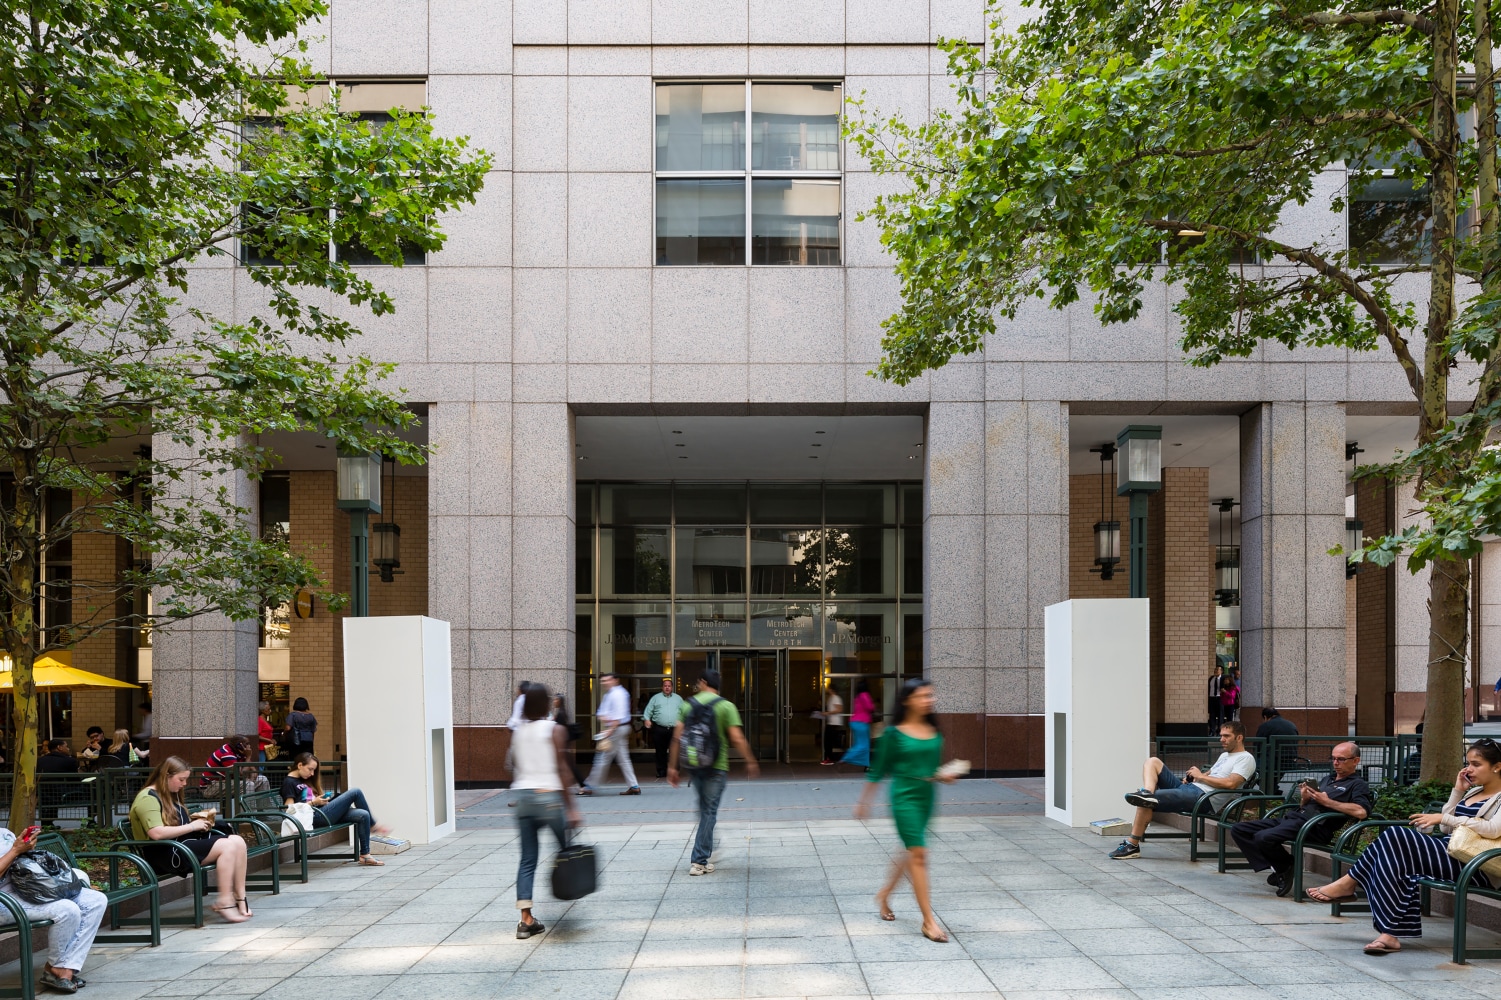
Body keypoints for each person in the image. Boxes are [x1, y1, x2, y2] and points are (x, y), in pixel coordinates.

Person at [1308, 738, 1501, 954]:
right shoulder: (1473, 792)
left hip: (1475, 865)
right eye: (1467, 763)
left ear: (1497, 766)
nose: (1468, 769)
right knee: (1396, 862)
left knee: (1394, 835)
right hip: (1449, 854)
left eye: (1476, 764)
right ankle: (1388, 935)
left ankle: (1349, 884)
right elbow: (1447, 830)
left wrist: (1443, 818)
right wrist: (1458, 791)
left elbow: (1493, 829)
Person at [853, 678, 959, 943]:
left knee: (911, 851)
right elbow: (877, 770)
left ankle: (885, 895)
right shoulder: (894, 733)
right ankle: (928, 922)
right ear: (906, 700)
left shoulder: (934, 730)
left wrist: (943, 775)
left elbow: (931, 767)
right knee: (919, 855)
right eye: (923, 696)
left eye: (930, 696)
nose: (929, 700)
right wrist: (864, 802)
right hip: (904, 797)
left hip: (927, 797)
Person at [1230, 741, 1372, 895]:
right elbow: (1309, 805)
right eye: (1333, 758)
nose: (1336, 763)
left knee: (1263, 837)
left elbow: (1361, 812)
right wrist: (1305, 799)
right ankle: (1280, 868)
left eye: (1341, 759)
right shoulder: (1327, 779)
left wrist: (1328, 802)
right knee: (1239, 829)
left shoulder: (1358, 785)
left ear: (1356, 761)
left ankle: (1284, 868)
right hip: (1296, 819)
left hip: (1315, 827)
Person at [1108, 721, 1257, 860]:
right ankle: (1147, 791)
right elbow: (1210, 775)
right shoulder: (1225, 755)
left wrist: (1200, 777)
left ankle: (1132, 845)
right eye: (1221, 735)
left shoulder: (1245, 758)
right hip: (1191, 789)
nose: (1221, 739)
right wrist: (1196, 776)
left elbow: (1231, 783)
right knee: (1152, 761)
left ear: (1239, 737)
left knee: (1146, 802)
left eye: (1226, 736)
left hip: (1203, 798)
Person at [129, 756, 252, 922]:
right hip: (165, 854)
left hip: (180, 846)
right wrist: (193, 826)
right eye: (181, 779)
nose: (184, 784)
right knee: (227, 846)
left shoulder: (169, 794)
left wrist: (198, 822)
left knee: (238, 841)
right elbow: (156, 833)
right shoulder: (147, 798)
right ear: (166, 776)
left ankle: (240, 897)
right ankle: (224, 900)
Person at [668, 668, 758, 875]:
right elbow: (736, 738)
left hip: (694, 765)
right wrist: (750, 760)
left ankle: (706, 850)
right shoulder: (726, 706)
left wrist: (673, 767)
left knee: (704, 809)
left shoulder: (687, 704)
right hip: (716, 767)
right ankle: (698, 860)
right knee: (709, 811)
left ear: (702, 682)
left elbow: (676, 737)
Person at [510, 684, 582, 939]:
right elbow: (562, 770)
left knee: (528, 859)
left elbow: (513, 764)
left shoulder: (518, 732)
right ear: (546, 704)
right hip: (549, 797)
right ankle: (571, 888)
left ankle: (526, 919)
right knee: (567, 849)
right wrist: (572, 808)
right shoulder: (555, 729)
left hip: (524, 798)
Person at [0, 823, 106, 994]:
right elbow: (14, 853)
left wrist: (26, 847)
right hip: (5, 902)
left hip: (25, 889)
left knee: (96, 900)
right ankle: (58, 969)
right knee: (66, 910)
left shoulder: (4, 834)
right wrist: (15, 851)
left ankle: (59, 968)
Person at [281, 752, 391, 866]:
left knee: (363, 814)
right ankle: (373, 826)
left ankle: (365, 855)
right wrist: (313, 802)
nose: (312, 773)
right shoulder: (289, 782)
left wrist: (322, 800)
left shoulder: (304, 780)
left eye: (314, 770)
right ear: (300, 765)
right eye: (310, 769)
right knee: (356, 792)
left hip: (322, 812)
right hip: (314, 817)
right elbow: (289, 809)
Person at [580, 672, 640, 796]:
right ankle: (634, 785)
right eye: (603, 681)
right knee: (623, 759)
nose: (604, 683)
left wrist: (609, 730)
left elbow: (617, 717)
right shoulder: (614, 693)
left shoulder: (617, 694)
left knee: (603, 757)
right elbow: (603, 714)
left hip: (616, 729)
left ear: (615, 680)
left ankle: (590, 785)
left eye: (606, 680)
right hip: (618, 728)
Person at [641, 677, 685, 780]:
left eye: (669, 686)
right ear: (662, 687)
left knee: (675, 750)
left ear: (672, 687)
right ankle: (661, 771)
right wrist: (647, 719)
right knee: (660, 751)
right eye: (665, 686)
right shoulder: (656, 698)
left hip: (674, 729)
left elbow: (684, 712)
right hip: (659, 729)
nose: (667, 688)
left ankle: (675, 771)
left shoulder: (678, 698)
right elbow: (648, 711)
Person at [201, 735, 269, 797]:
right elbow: (240, 775)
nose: (249, 747)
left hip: (226, 782)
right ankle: (248, 811)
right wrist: (248, 757)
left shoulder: (240, 752)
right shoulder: (226, 754)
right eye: (247, 744)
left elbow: (253, 770)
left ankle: (264, 809)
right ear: (240, 745)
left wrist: (252, 775)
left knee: (263, 780)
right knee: (248, 784)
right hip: (210, 787)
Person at [36, 740, 78, 824]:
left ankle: (47, 823)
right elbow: (75, 780)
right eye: (66, 746)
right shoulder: (70, 761)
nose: (68, 749)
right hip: (63, 792)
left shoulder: (40, 760)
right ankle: (91, 820)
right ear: (59, 747)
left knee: (49, 797)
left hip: (43, 791)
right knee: (92, 790)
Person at [551, 694, 588, 789]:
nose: (554, 701)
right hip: (563, 744)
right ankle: (582, 785)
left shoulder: (561, 714)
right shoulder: (560, 712)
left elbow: (561, 730)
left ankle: (583, 785)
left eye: (556, 700)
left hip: (562, 745)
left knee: (570, 766)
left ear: (560, 701)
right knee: (569, 766)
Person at [841, 678, 876, 769]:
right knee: (863, 745)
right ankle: (846, 758)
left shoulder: (857, 697)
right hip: (862, 722)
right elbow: (870, 707)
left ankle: (866, 765)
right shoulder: (865, 695)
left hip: (855, 722)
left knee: (861, 744)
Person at [821, 683, 846, 765]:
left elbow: (839, 709)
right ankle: (830, 758)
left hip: (835, 723)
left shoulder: (836, 698)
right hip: (831, 722)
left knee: (829, 741)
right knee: (829, 741)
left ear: (831, 689)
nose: (827, 690)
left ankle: (831, 758)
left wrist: (828, 713)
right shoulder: (831, 698)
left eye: (828, 688)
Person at [1207, 667, 1223, 733]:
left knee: (1220, 715)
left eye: (1217, 670)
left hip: (1220, 698)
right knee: (1212, 715)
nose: (1216, 671)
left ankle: (1220, 731)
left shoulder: (1223, 679)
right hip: (1212, 698)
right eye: (1215, 670)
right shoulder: (1211, 678)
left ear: (1221, 671)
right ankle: (1212, 730)